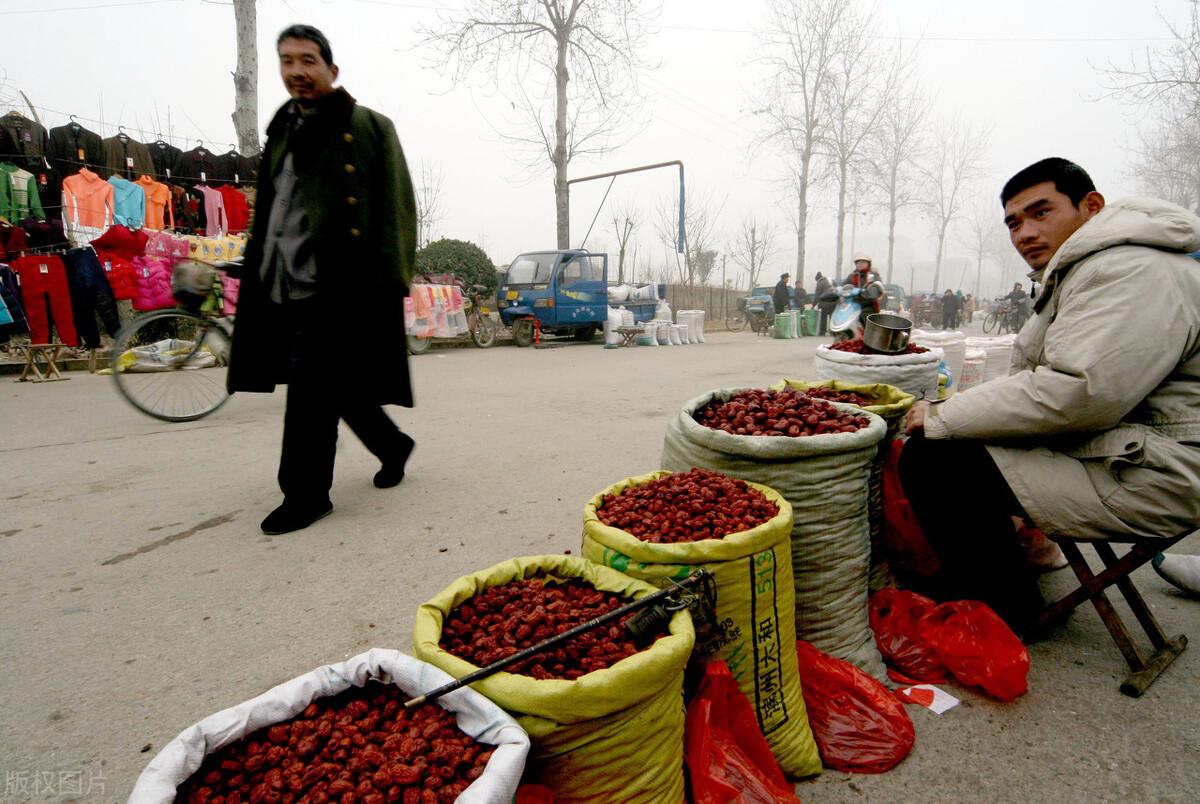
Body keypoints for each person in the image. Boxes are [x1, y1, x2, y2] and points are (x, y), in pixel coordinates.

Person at [900, 157, 1200, 634]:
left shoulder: (1132, 271)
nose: (1024, 233)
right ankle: (1014, 567)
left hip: (1158, 471)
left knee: (937, 459)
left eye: (1042, 213)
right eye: (1014, 222)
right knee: (960, 440)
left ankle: (1003, 609)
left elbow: (1079, 392)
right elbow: (1042, 378)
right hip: (1126, 447)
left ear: (1092, 206)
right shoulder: (1089, 270)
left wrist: (942, 415)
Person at [227, 24, 418, 535]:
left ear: (330, 70)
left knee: (310, 392)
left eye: (308, 60)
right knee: (336, 383)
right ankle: (393, 444)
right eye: (287, 61)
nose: (297, 71)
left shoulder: (370, 126)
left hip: (342, 284)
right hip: (281, 280)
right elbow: (274, 206)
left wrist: (391, 277)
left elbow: (398, 208)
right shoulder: (282, 128)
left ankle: (306, 495)